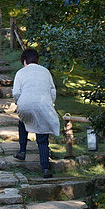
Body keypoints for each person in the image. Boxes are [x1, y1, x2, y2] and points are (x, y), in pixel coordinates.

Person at [11, 48, 61, 178]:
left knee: (22, 122)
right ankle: (45, 168)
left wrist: (19, 103)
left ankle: (22, 151)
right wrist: (50, 103)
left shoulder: (20, 72)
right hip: (43, 103)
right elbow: (52, 91)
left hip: (25, 104)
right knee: (42, 137)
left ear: (25, 61)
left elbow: (16, 93)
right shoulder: (45, 71)